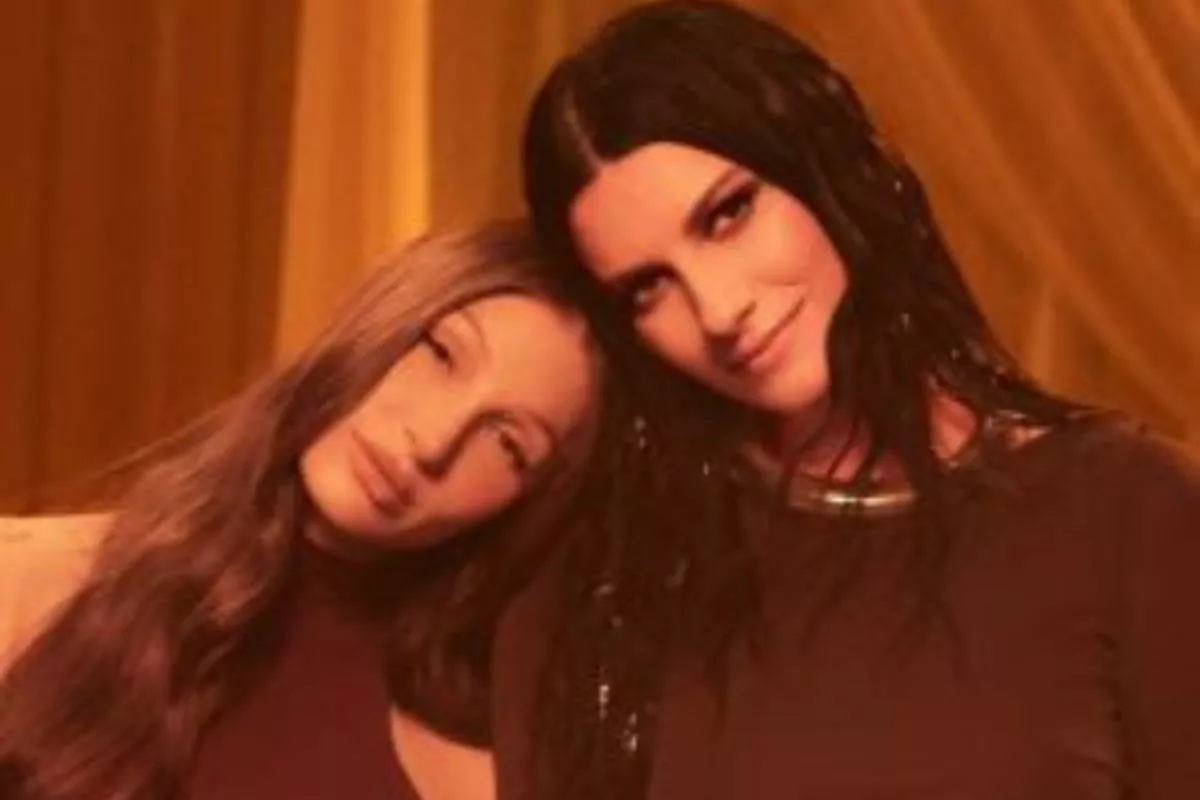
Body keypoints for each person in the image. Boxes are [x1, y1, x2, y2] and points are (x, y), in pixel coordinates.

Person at [495, 2, 1200, 798]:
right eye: (648, 288)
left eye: (727, 215)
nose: (719, 311)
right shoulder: (602, 594)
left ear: (822, 163)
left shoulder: (1125, 509)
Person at [0, 222, 607, 800]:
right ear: (380, 320)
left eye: (506, 443)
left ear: (528, 506)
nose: (432, 440)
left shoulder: (483, 752)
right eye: (442, 354)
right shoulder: (46, 586)